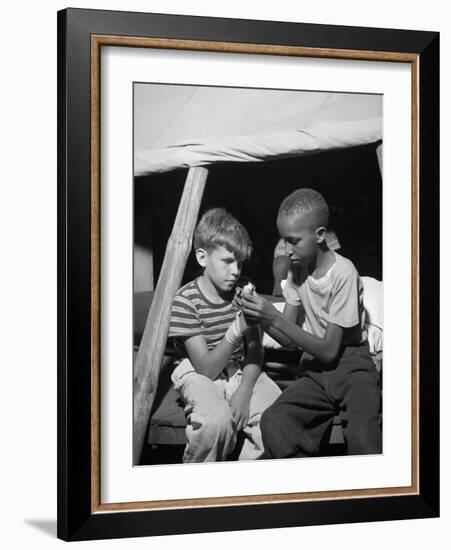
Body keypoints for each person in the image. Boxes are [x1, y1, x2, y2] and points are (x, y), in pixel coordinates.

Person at [238, 189, 382, 458]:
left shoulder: (343, 273)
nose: (286, 251)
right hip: (313, 369)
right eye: (283, 241)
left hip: (351, 365)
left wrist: (274, 316)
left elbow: (329, 349)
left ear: (319, 235)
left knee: (364, 437)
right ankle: (308, 487)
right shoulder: (297, 270)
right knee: (275, 421)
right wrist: (259, 317)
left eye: (293, 241)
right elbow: (289, 340)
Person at [168, 207, 281, 463]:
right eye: (228, 261)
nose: (236, 271)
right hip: (197, 374)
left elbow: (255, 349)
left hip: (241, 369)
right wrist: (236, 327)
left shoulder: (243, 290)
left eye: (240, 262)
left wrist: (244, 390)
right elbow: (205, 369)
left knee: (278, 417)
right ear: (202, 257)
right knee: (215, 423)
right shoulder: (186, 301)